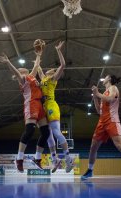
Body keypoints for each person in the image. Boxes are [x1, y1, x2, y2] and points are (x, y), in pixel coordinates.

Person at [81, 75, 121, 181]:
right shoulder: (103, 93)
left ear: (110, 79)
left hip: (112, 120)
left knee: (120, 145)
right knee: (93, 147)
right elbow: (99, 111)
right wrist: (95, 97)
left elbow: (111, 99)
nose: (104, 78)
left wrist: (97, 93)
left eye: (106, 77)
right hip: (102, 122)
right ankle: (90, 170)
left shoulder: (113, 88)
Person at [0, 50, 50, 173]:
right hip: (31, 104)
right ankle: (19, 159)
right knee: (30, 130)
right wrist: (8, 62)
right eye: (20, 69)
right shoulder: (23, 79)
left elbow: (36, 66)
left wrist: (39, 55)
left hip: (39, 105)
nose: (22, 68)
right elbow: (15, 72)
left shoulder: (31, 76)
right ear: (20, 72)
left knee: (46, 132)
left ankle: (37, 159)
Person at [37, 41, 73, 173]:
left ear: (52, 74)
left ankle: (69, 160)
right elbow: (39, 69)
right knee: (48, 135)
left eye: (52, 70)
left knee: (56, 132)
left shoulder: (52, 79)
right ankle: (55, 160)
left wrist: (58, 50)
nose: (50, 69)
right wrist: (38, 58)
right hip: (44, 107)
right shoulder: (43, 79)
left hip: (51, 105)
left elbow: (63, 65)